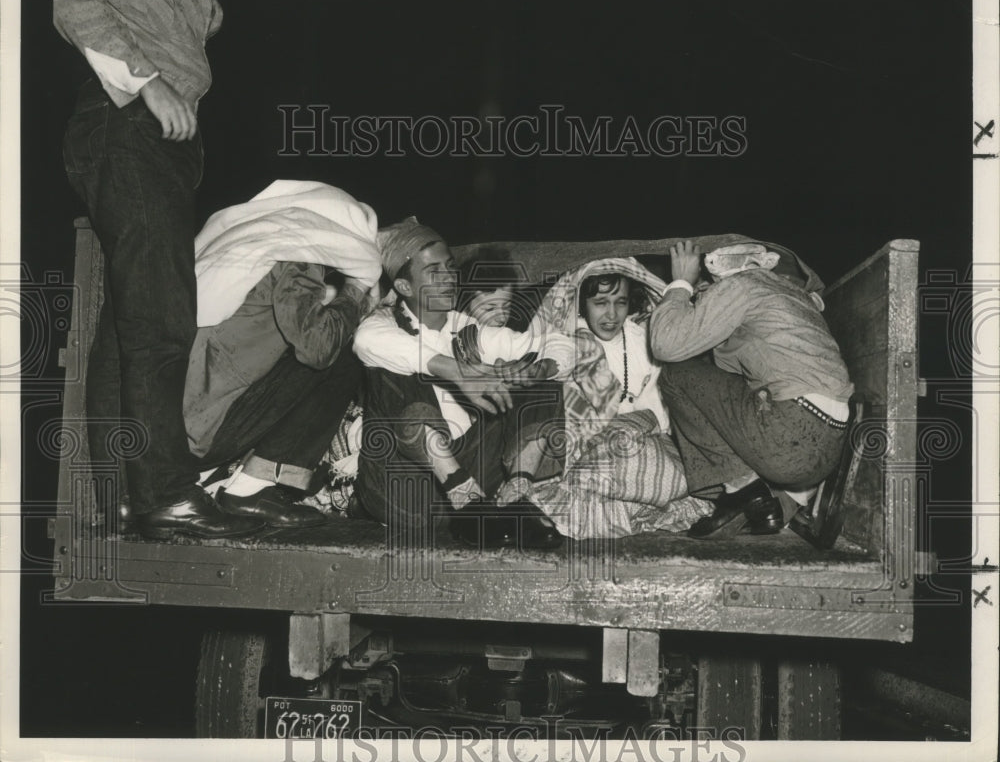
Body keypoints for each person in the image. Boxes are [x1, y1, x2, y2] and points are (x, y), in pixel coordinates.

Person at [54, 0, 261, 539]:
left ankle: (126, 495)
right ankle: (166, 494)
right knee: (161, 323)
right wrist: (147, 81)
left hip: (154, 137)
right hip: (127, 121)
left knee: (130, 332)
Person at [352, 219, 572, 549]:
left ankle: (517, 495)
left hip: (478, 492)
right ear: (405, 287)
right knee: (393, 369)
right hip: (403, 489)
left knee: (541, 375)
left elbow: (559, 343)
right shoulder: (384, 324)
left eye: (450, 268)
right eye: (433, 272)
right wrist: (458, 372)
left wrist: (537, 369)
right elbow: (365, 341)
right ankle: (462, 493)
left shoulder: (468, 330)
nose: (449, 279)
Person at [180, 181, 381, 534]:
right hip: (204, 434)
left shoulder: (256, 255)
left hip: (184, 424)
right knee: (345, 349)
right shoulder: (298, 262)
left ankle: (217, 477)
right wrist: (355, 292)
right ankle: (249, 488)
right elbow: (318, 347)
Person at [650, 241, 854, 539]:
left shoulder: (744, 283)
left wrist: (681, 282)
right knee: (719, 384)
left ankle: (743, 491)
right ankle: (768, 504)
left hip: (791, 432)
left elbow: (664, 345)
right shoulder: (791, 294)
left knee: (675, 374)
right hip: (829, 447)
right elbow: (727, 379)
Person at [497, 259, 710, 539]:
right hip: (590, 444)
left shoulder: (643, 335)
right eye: (600, 302)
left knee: (667, 471)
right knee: (602, 467)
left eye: (620, 302)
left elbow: (662, 406)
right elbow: (561, 357)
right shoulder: (574, 336)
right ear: (583, 304)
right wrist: (541, 369)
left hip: (646, 438)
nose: (611, 314)